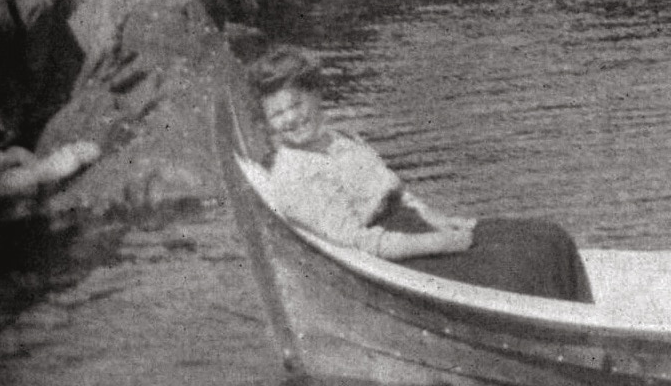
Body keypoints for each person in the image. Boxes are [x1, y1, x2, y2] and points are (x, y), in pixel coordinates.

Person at [249, 46, 593, 304]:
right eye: (277, 114)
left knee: (548, 238)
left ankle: (583, 327)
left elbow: (395, 191)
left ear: (315, 95)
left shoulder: (339, 139)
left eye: (296, 104)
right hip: (396, 257)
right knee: (517, 270)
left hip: (413, 226)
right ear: (267, 121)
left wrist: (440, 219)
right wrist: (438, 242)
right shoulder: (296, 176)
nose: (291, 119)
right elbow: (362, 243)